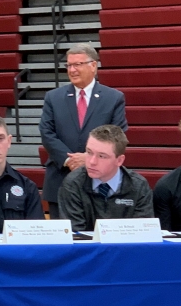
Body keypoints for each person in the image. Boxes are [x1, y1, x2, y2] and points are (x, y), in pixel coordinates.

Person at [40, 43, 128, 219]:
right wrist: (69, 160)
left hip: (100, 182)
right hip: (60, 179)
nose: (72, 70)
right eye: (69, 65)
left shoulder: (114, 98)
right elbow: (46, 133)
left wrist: (88, 158)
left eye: (77, 64)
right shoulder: (53, 97)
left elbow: (117, 136)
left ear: (93, 65)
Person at [58, 124, 152, 232]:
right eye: (89, 152)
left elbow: (142, 235)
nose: (92, 162)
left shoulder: (138, 186)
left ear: (119, 160)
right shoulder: (72, 184)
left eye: (102, 156)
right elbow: (76, 236)